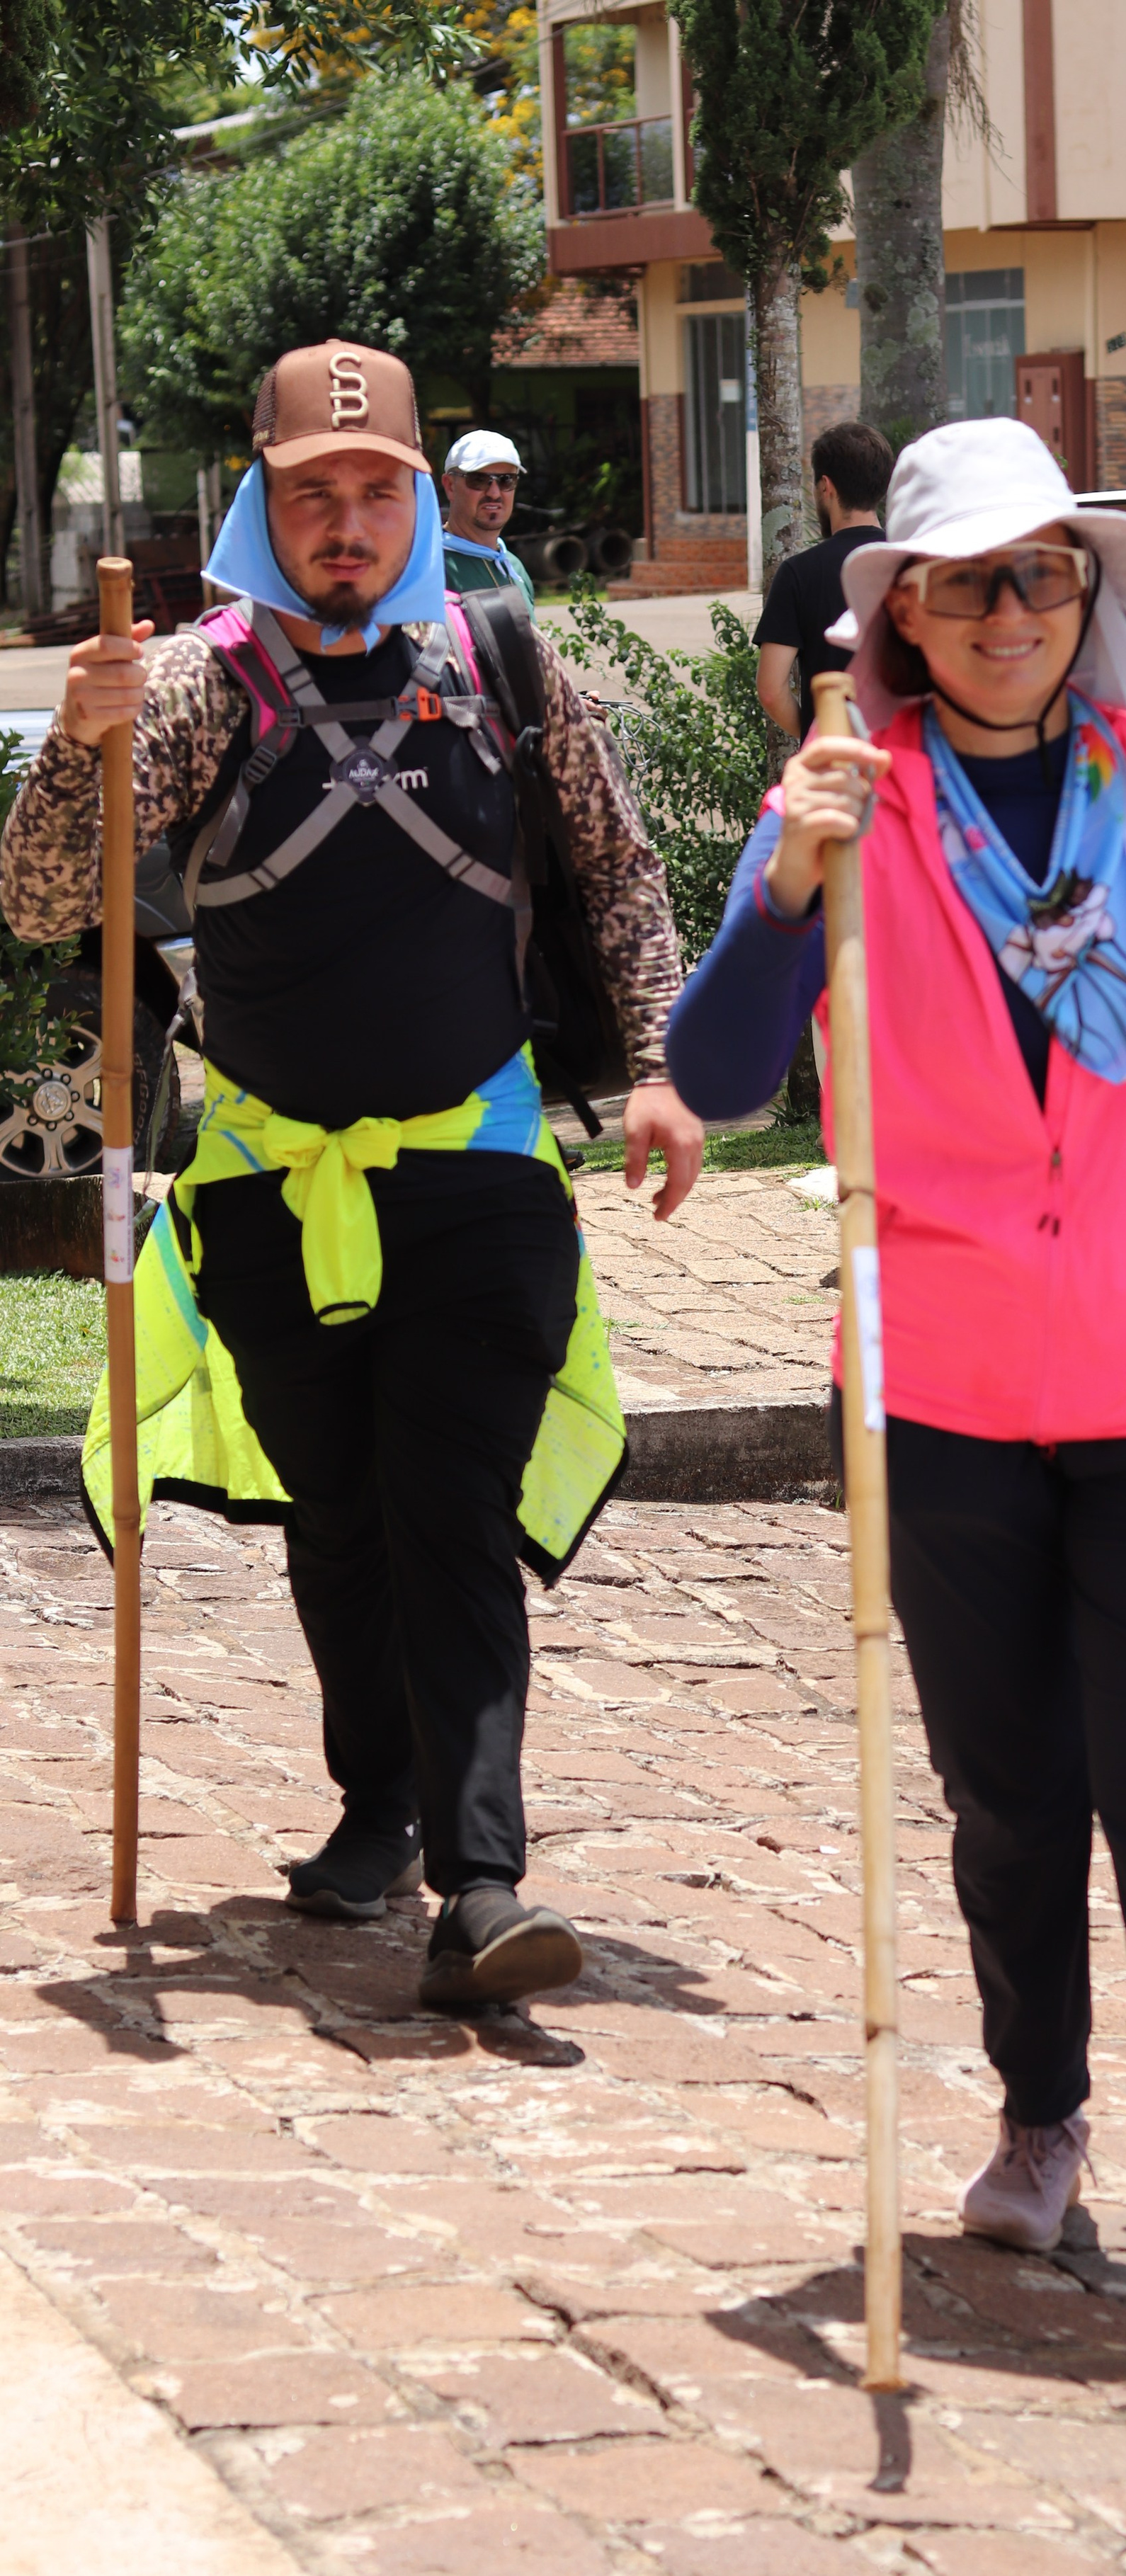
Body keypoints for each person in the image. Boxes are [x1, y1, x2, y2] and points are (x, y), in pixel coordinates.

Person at [666, 418, 1126, 2370]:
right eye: (964, 582)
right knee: (1011, 1799)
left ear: (1091, 594)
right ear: (897, 608)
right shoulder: (842, 796)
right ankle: (1043, 2115)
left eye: (1038, 575)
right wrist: (785, 892)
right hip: (950, 1392)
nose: (1004, 614)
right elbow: (721, 1071)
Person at [0, 339, 703, 2014]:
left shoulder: (506, 662)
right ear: (262, 496)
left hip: (474, 1166)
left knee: (447, 1506)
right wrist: (67, 746)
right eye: (311, 493)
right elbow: (36, 902)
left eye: (374, 490)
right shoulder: (188, 683)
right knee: (341, 1513)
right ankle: (375, 1801)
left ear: (416, 504)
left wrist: (667, 1066)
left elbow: (615, 870)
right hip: (260, 1181)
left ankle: (482, 1875)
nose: (345, 522)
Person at [754, 421, 893, 741]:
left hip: (834, 765)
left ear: (826, 487)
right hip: (905, 759)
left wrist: (818, 736)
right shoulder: (912, 563)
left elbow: (771, 691)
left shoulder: (798, 573)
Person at [440, 428, 536, 611]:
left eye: (506, 480)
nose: (494, 493)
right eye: (479, 480)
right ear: (450, 486)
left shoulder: (514, 567)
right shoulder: (432, 568)